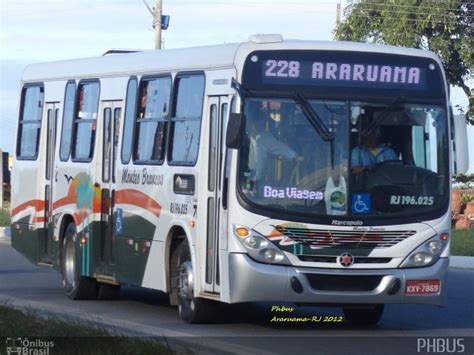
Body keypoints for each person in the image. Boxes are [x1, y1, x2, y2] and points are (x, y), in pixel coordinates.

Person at [246, 110, 301, 186]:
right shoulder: (243, 137)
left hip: (258, 179)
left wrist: (295, 156)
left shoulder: (266, 138)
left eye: (261, 123)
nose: (259, 125)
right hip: (245, 176)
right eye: (256, 123)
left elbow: (281, 147)